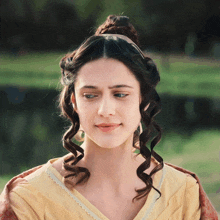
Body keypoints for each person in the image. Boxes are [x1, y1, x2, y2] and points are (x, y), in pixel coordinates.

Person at [0, 15, 218, 220]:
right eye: (90, 95)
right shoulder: (29, 199)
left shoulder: (183, 193)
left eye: (120, 94)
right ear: (75, 103)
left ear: (144, 100)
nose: (105, 110)